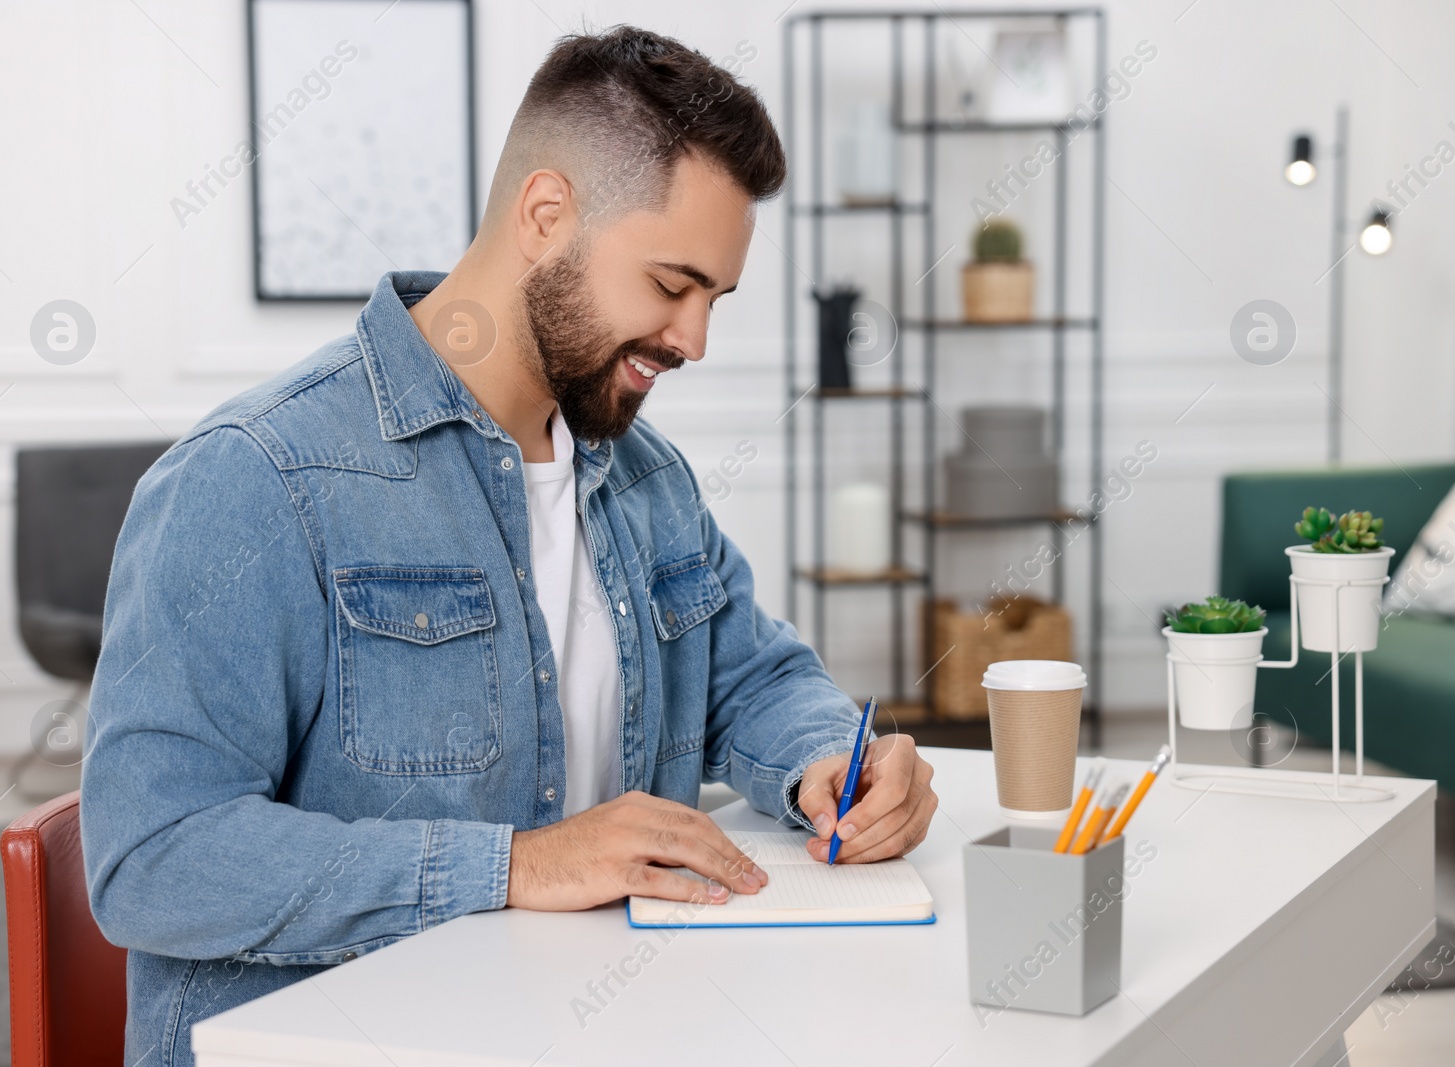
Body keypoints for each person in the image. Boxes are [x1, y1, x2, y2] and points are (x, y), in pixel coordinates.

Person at [80, 24, 937, 1067]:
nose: (694, 339)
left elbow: (747, 672)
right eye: (671, 285)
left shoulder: (643, 474)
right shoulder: (254, 477)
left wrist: (825, 759)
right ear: (544, 216)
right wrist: (517, 863)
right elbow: (154, 858)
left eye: (714, 297)